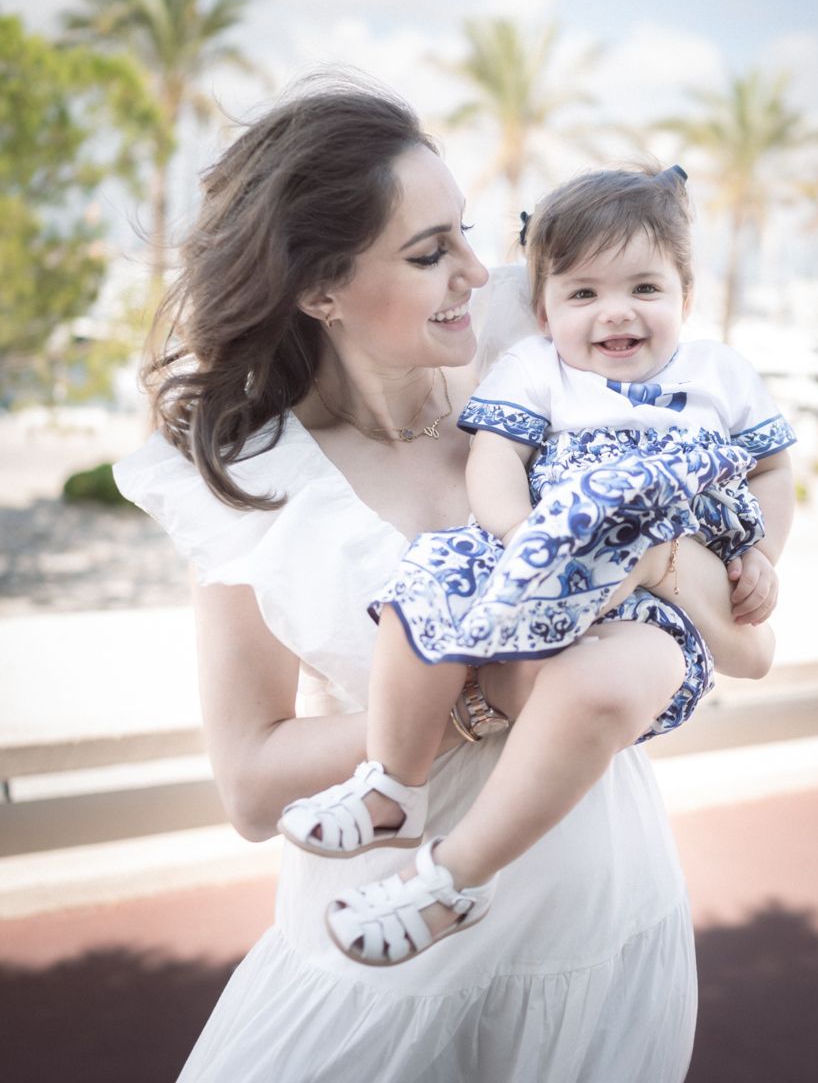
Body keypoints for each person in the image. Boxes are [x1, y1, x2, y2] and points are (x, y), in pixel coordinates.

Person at [115, 75, 776, 1082]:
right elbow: (250, 786)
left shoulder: (542, 363)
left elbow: (724, 526)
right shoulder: (252, 484)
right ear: (319, 289)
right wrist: (477, 690)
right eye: (429, 253)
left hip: (606, 927)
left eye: (466, 233)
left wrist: (662, 569)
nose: (478, 270)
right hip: (394, 979)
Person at [278, 162, 796, 969]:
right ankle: (393, 784)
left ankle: (453, 877)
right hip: (535, 559)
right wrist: (519, 537)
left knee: (596, 686)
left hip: (648, 615)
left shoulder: (721, 376)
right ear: (544, 308)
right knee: (424, 591)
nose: (615, 312)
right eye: (582, 294)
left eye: (645, 289)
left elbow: (770, 475)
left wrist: (761, 555)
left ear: (684, 296)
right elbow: (496, 458)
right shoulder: (537, 371)